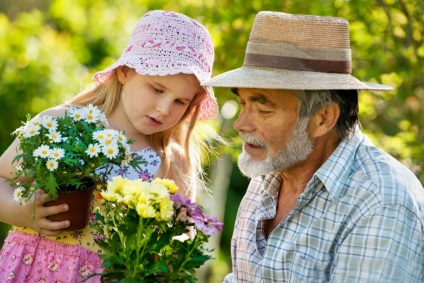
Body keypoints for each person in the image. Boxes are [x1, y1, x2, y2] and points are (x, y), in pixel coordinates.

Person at [204, 11, 424, 282]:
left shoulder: (380, 200)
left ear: (323, 119)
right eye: (243, 104)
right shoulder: (269, 174)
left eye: (263, 108)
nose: (240, 124)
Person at [0, 10, 219, 282]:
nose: (164, 109)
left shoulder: (169, 160)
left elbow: (183, 233)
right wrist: (23, 213)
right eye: (157, 89)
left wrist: (158, 250)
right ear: (125, 71)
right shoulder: (62, 122)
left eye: (180, 102)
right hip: (31, 267)